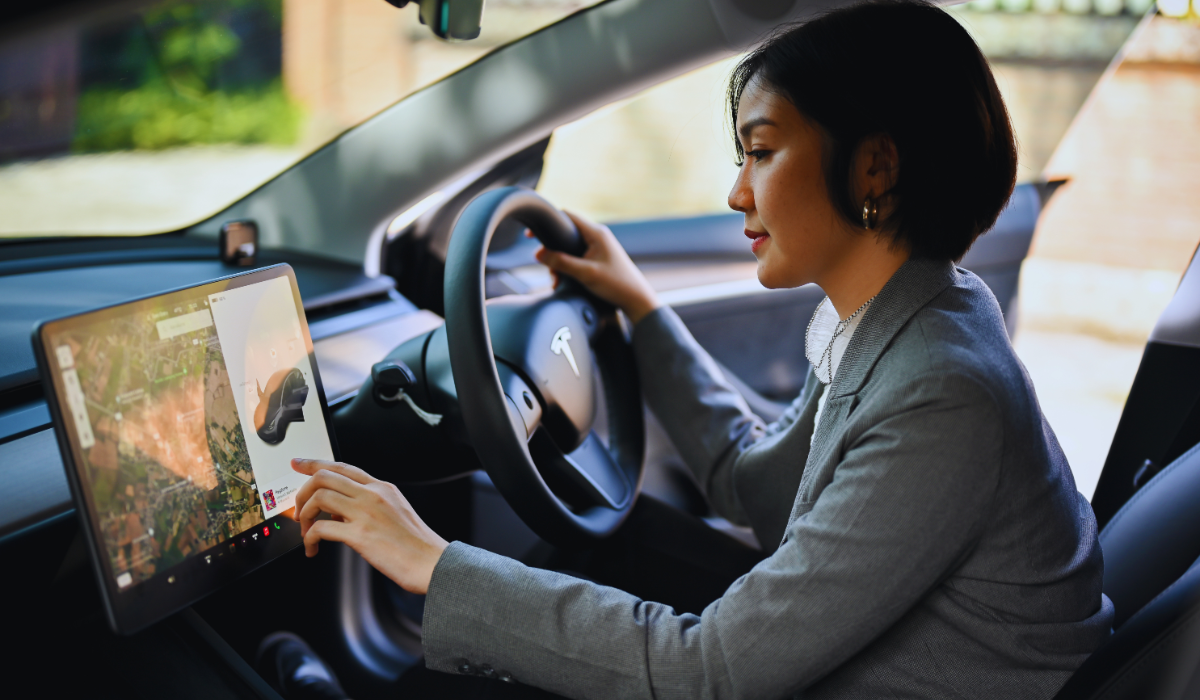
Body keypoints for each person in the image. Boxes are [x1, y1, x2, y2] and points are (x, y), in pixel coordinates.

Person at [278, 1, 1114, 697]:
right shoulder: (916, 317)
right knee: (618, 541)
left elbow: (710, 671)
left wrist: (431, 562)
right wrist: (640, 309)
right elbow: (754, 488)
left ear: (874, 170)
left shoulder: (942, 391)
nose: (736, 191)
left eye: (761, 151)